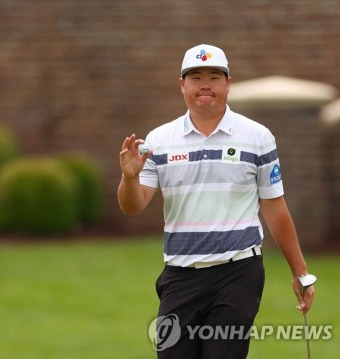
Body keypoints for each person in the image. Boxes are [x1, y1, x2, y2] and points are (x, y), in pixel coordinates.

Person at [117, 44, 316, 358]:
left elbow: (275, 207)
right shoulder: (157, 141)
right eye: (195, 77)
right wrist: (129, 178)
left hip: (238, 274)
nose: (205, 84)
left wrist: (301, 273)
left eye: (214, 76)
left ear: (228, 83)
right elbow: (133, 205)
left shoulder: (257, 136)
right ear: (182, 85)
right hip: (180, 275)